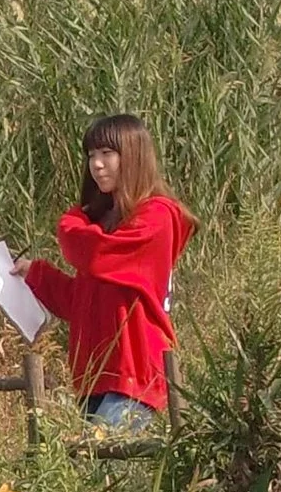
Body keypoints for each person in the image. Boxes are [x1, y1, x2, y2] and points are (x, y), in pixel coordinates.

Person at [21, 113, 195, 434]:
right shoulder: (107, 223)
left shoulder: (156, 217)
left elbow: (97, 255)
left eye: (106, 154)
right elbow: (81, 302)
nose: (97, 165)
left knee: (97, 466)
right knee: (97, 473)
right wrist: (36, 274)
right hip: (96, 378)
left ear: (133, 155)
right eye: (91, 155)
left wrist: (72, 221)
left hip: (134, 374)